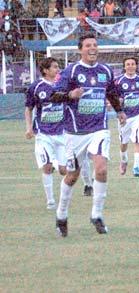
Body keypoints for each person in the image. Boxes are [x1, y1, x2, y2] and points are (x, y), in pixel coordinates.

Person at [52, 33, 127, 237]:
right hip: (75, 133)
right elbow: (54, 95)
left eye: (95, 45)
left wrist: (119, 111)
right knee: (73, 176)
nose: (92, 48)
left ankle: (97, 215)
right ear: (80, 49)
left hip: (99, 128)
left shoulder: (105, 71)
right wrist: (70, 95)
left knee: (101, 169)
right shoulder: (71, 71)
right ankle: (61, 215)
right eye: (88, 45)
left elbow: (111, 92)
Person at [24, 57, 67, 210]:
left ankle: (56, 163)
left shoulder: (62, 85)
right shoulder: (36, 87)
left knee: (64, 171)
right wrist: (29, 128)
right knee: (47, 167)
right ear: (45, 70)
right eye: (55, 67)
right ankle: (50, 200)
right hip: (43, 134)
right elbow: (28, 108)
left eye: (58, 67)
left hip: (62, 134)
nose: (58, 70)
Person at [114, 57, 139, 177]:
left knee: (138, 140)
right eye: (128, 64)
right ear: (124, 67)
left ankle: (136, 167)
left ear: (136, 66)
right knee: (124, 143)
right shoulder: (119, 81)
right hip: (124, 117)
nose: (130, 66)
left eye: (132, 64)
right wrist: (119, 102)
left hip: (138, 115)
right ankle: (124, 160)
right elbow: (115, 97)